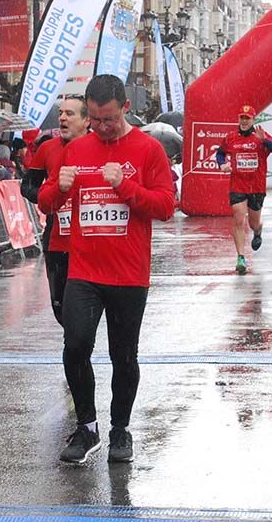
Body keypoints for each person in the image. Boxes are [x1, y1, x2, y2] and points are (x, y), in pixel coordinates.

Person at [38, 75, 175, 465]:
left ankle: (120, 429)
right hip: (84, 270)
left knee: (123, 356)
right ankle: (87, 427)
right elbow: (46, 202)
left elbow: (166, 206)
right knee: (75, 346)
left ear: (125, 109)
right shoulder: (77, 149)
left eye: (109, 120)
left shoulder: (148, 150)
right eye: (95, 120)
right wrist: (60, 188)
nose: (101, 127)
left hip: (129, 274)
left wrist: (125, 187)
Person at [23, 95, 89, 326]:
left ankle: (79, 348)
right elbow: (27, 186)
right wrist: (46, 197)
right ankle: (74, 348)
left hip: (91, 243)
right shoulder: (47, 148)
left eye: (69, 114)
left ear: (86, 120)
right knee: (61, 309)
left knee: (84, 312)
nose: (62, 118)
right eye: (61, 113)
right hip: (57, 242)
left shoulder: (99, 148)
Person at [215, 105, 272, 275]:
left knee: (253, 223)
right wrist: (222, 164)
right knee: (238, 217)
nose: (244, 121)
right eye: (241, 118)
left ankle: (258, 231)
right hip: (238, 185)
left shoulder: (260, 135)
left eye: (247, 118)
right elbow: (220, 153)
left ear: (253, 120)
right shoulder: (231, 138)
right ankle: (240, 257)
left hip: (256, 187)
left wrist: (264, 140)